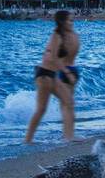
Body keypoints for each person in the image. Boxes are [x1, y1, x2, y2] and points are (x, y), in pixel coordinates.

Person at [24, 9, 80, 144]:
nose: (72, 23)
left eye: (72, 20)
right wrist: (67, 73)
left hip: (53, 76)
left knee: (69, 102)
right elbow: (54, 59)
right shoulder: (56, 36)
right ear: (62, 22)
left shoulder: (65, 36)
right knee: (41, 109)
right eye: (69, 20)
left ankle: (69, 137)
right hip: (44, 75)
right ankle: (27, 140)